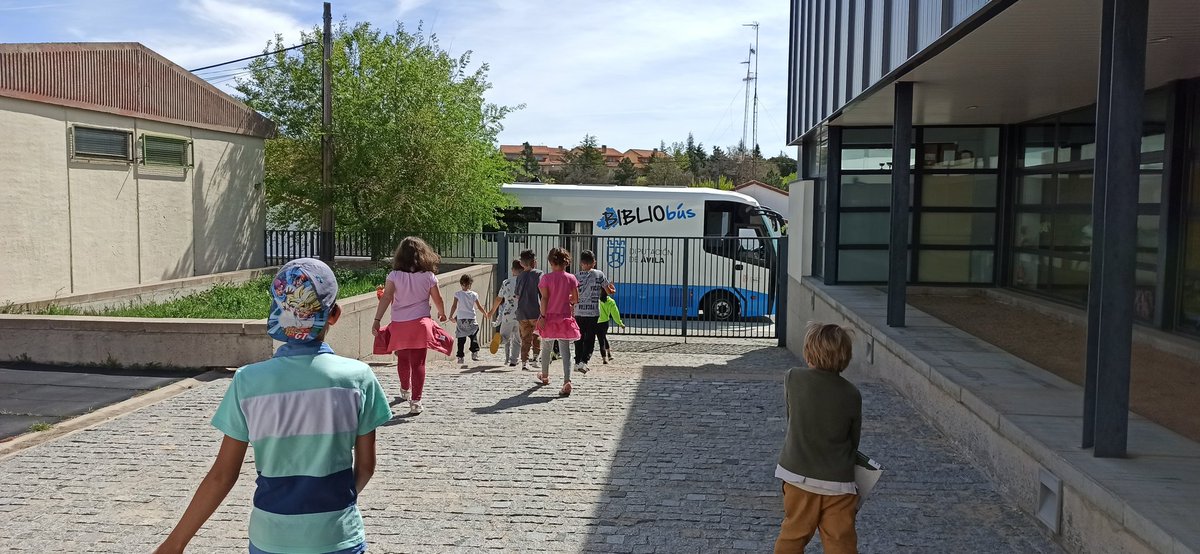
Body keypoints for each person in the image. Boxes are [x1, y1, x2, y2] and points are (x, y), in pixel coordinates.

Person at [154, 258, 393, 554]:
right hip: (337, 536)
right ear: (334, 315)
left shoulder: (248, 381)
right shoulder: (358, 378)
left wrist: (175, 543)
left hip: (271, 538)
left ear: (277, 314)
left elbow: (222, 476)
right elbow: (366, 467)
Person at [774, 322, 862, 554]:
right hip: (838, 481)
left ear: (808, 352)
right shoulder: (852, 393)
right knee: (840, 542)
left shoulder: (793, 378)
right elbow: (854, 439)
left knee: (793, 535)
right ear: (845, 357)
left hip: (797, 474)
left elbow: (791, 416)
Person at [372, 237, 451, 416]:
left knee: (403, 359)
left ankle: (404, 389)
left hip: (399, 324)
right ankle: (416, 401)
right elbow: (437, 299)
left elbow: (386, 298)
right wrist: (442, 312)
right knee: (419, 363)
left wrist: (377, 320)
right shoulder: (429, 276)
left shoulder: (394, 276)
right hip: (420, 323)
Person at [536, 247, 581, 396]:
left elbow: (544, 299)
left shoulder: (546, 278)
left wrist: (542, 317)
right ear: (566, 262)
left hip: (549, 317)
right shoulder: (571, 278)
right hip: (565, 317)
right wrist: (566, 299)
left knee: (547, 348)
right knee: (566, 350)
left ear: (550, 262)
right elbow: (575, 299)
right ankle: (567, 381)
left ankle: (545, 375)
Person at [573, 249, 616, 373]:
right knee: (590, 338)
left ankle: (577, 362)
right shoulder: (599, 274)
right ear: (594, 262)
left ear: (581, 263)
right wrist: (613, 290)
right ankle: (584, 361)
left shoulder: (576, 276)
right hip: (593, 313)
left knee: (579, 338)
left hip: (579, 312)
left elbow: (572, 294)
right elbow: (608, 292)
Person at [488, 260, 524, 367]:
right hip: (521, 315)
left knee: (505, 337)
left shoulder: (506, 282)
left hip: (507, 314)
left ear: (512, 270)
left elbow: (499, 299)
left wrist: (491, 311)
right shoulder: (524, 282)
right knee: (518, 340)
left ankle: (499, 340)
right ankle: (514, 360)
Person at [514, 249, 544, 371]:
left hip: (522, 312)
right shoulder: (539, 274)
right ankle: (535, 358)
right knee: (537, 335)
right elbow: (543, 292)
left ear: (521, 263)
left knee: (525, 338)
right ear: (534, 262)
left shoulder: (519, 276)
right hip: (535, 310)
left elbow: (516, 295)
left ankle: (524, 362)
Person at [450, 273, 486, 367]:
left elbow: (454, 306)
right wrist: (485, 313)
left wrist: (451, 316)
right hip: (471, 318)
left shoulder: (457, 294)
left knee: (461, 339)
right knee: (473, 335)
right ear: (470, 284)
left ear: (461, 284)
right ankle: (474, 352)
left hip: (461, 319)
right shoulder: (474, 294)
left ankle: (460, 356)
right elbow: (478, 306)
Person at [596, 290, 624, 365]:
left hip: (596, 322)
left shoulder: (596, 300)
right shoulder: (611, 301)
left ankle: (604, 359)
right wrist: (620, 323)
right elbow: (615, 313)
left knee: (601, 340)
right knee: (603, 337)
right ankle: (609, 354)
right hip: (605, 323)